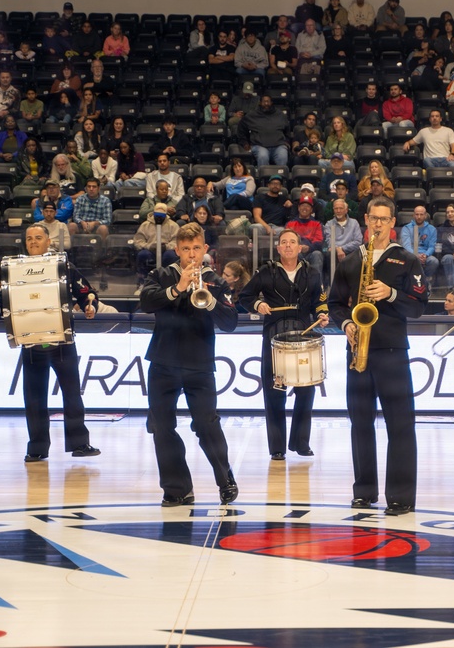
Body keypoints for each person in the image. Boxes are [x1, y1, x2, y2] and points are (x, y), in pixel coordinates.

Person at [327, 197, 428, 515]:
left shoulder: (407, 259)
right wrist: (345, 323)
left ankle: (400, 497)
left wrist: (391, 293)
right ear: (367, 220)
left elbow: (419, 306)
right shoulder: (351, 260)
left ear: (393, 223)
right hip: (357, 351)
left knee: (400, 425)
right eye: (374, 218)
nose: (379, 224)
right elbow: (335, 303)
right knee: (360, 424)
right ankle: (364, 491)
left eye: (385, 219)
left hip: (393, 352)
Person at [139, 223, 240, 506]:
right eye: (186, 249)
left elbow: (230, 322)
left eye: (196, 248)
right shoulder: (160, 275)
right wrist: (177, 288)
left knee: (207, 424)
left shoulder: (216, 282)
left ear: (205, 249)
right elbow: (146, 302)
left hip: (199, 364)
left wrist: (209, 303)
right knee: (162, 427)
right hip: (163, 362)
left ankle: (225, 479)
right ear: (177, 250)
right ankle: (177, 488)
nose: (191, 255)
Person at [0, 223, 101, 462]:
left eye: (38, 237)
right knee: (34, 398)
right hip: (31, 343)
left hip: (61, 341)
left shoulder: (62, 265)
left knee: (72, 394)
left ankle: (80, 444)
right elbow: (2, 298)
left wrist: (90, 306)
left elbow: (86, 292)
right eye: (29, 238)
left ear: (48, 241)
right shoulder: (13, 268)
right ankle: (37, 448)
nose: (33, 242)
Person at [239, 229, 330, 460]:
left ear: (300, 248)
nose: (288, 246)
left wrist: (322, 314)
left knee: (306, 390)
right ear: (278, 249)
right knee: (274, 393)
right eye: (284, 243)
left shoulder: (312, 273)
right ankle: (277, 448)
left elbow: (320, 301)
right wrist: (258, 304)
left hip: (303, 337)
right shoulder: (265, 271)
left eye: (292, 242)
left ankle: (301, 443)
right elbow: (245, 296)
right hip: (274, 338)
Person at [133, 201, 179, 292]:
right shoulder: (145, 225)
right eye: (157, 214)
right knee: (142, 255)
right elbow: (138, 241)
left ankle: (170, 282)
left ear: (166, 215)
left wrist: (167, 247)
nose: (159, 217)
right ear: (153, 213)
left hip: (166, 250)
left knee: (171, 256)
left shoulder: (173, 225)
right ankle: (143, 282)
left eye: (162, 215)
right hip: (150, 250)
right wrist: (148, 246)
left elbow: (177, 241)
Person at [239, 95, 290, 167]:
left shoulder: (280, 115)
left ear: (271, 103)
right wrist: (244, 143)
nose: (266, 103)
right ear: (260, 103)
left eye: (268, 101)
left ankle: (280, 178)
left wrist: (287, 142)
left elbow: (287, 130)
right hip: (260, 146)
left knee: (283, 156)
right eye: (264, 102)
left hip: (279, 146)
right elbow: (241, 128)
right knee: (263, 156)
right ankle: (263, 178)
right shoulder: (252, 115)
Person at [399, 206, 439, 287]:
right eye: (417, 214)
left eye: (421, 214)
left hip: (425, 255)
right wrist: (415, 255)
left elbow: (432, 246)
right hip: (411, 255)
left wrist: (425, 255)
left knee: (434, 261)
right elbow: (406, 246)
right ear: (413, 215)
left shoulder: (432, 229)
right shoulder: (406, 228)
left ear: (425, 215)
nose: (419, 217)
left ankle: (424, 280)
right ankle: (423, 282)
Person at [285, 196, 325, 274]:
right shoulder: (290, 224)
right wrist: (298, 248)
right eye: (302, 205)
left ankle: (316, 284)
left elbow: (319, 242)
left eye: (307, 206)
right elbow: (287, 240)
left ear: (311, 210)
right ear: (298, 208)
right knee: (294, 254)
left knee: (317, 254)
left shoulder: (317, 224)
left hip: (311, 252)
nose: (305, 208)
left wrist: (309, 248)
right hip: (296, 252)